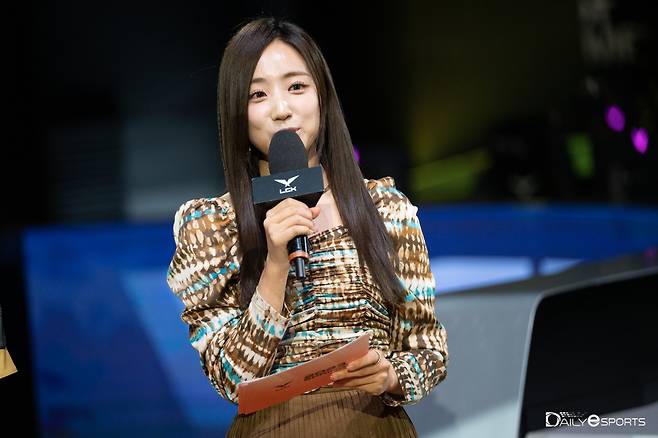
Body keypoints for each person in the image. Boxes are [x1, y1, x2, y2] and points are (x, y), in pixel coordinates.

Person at [166, 17, 448, 437]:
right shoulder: (212, 227)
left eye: (296, 86)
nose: (282, 109)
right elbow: (229, 379)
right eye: (258, 94)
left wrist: (390, 376)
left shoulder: (385, 210)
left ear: (322, 96)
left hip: (371, 426)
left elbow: (429, 349)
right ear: (236, 112)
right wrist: (275, 265)